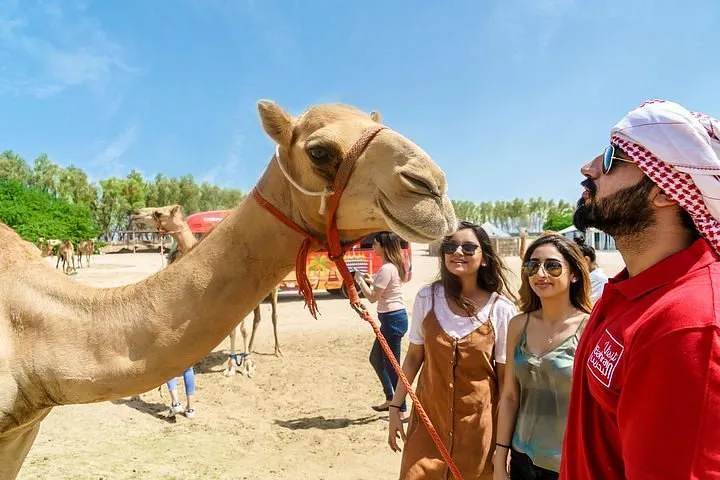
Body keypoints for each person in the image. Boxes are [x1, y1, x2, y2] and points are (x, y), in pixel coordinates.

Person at [561, 99, 720, 479]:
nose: (588, 168)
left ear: (665, 192)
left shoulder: (687, 326)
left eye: (613, 156)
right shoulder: (630, 289)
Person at [387, 221, 518, 479]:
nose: (458, 252)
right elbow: (414, 357)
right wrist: (395, 407)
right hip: (427, 428)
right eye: (450, 246)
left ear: (484, 258)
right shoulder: (428, 298)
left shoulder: (501, 310)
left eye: (469, 248)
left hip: (478, 433)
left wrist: (504, 445)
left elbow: (506, 384)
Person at [494, 234, 592, 480]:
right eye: (532, 266)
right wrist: (499, 456)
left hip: (569, 463)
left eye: (552, 266)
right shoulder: (519, 324)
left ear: (574, 274)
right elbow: (509, 396)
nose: (540, 273)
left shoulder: (589, 327)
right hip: (521, 458)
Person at [354, 231, 409, 415]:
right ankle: (390, 399)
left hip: (392, 320)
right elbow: (383, 288)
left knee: (393, 365)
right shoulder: (390, 266)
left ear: (384, 247)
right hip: (391, 319)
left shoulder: (387, 268)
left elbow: (372, 297)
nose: (373, 246)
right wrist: (370, 279)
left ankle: (400, 408)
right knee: (377, 359)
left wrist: (360, 281)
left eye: (376, 244)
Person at [572, 235, 608, 303]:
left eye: (575, 262)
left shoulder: (598, 280)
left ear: (586, 259)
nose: (572, 265)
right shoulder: (589, 277)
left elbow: (589, 304)